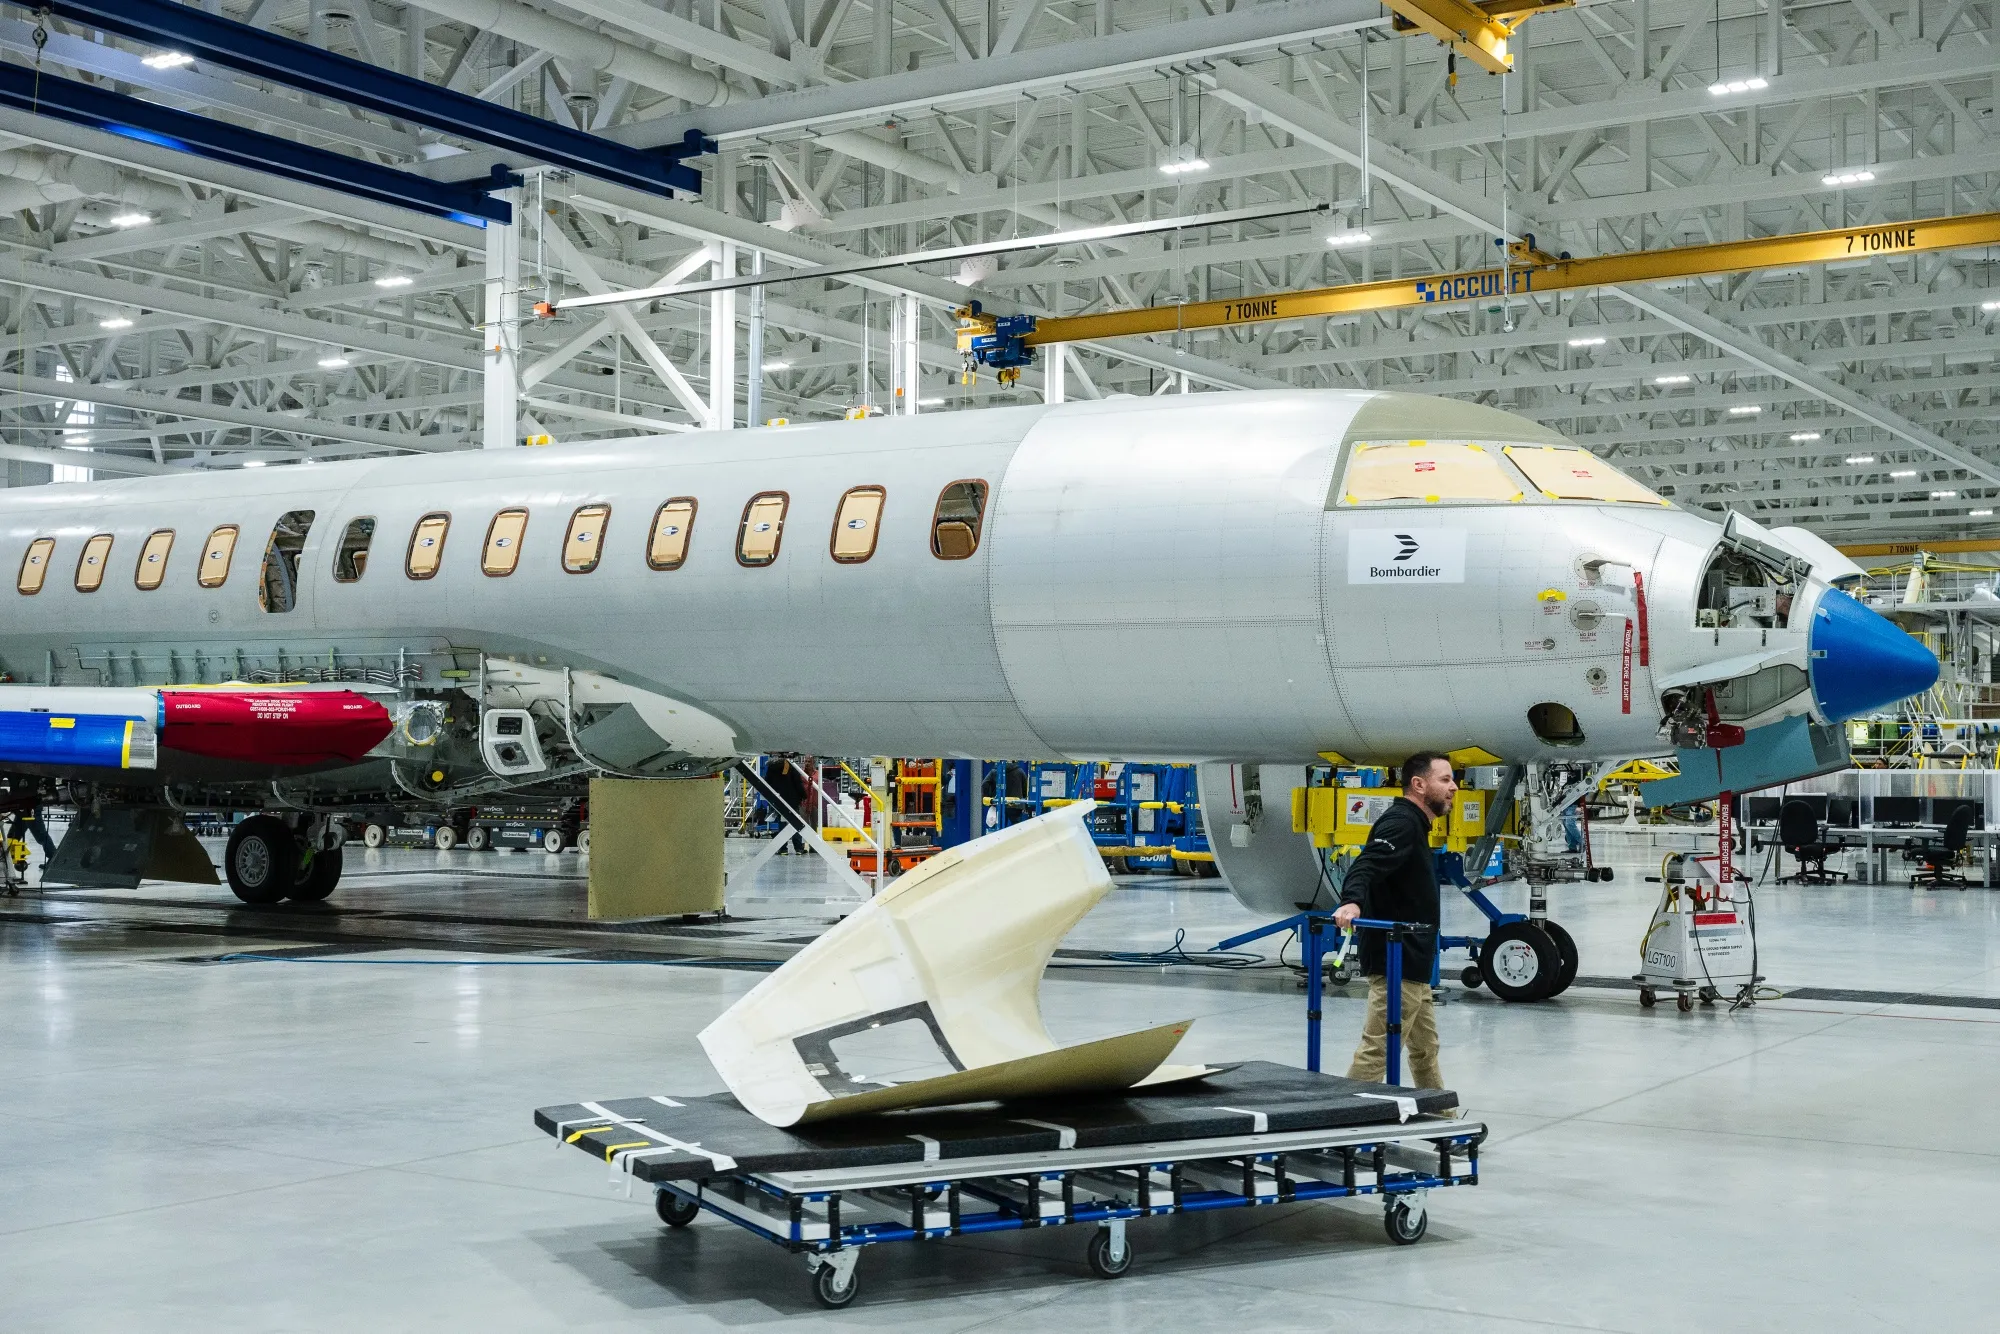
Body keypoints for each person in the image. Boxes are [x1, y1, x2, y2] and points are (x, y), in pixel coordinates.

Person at [1333, 752, 1454, 1093]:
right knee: (1378, 1050)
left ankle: (1441, 1115)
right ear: (1419, 784)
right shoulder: (1401, 822)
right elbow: (1366, 864)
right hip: (1396, 962)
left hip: (1413, 962)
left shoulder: (1415, 824)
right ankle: (1344, 1116)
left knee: (1425, 1049)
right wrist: (1352, 901)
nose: (1454, 788)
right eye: (1445, 779)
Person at [764, 758, 810, 854]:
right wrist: (804, 795)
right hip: (792, 800)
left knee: (781, 823)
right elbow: (798, 783)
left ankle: (783, 849)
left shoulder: (771, 768)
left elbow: (767, 782)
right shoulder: (791, 767)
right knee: (795, 823)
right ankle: (798, 848)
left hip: (779, 799)